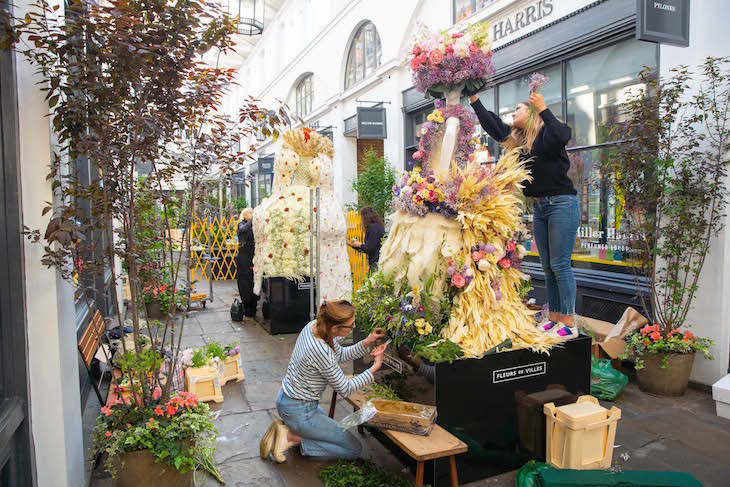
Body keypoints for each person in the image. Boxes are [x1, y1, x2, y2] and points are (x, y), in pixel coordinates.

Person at [469, 92, 579, 336]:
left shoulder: (547, 134)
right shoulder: (521, 142)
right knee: (548, 267)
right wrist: (475, 100)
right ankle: (554, 317)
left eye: (518, 109)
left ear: (531, 113)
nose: (512, 114)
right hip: (540, 207)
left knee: (561, 264)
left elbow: (563, 134)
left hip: (562, 203)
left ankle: (570, 323)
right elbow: (494, 126)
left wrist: (542, 108)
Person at [260, 300, 387, 463]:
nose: (353, 328)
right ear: (335, 328)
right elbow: (345, 388)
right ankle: (290, 437)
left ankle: (288, 428)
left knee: (331, 434)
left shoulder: (315, 326)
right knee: (353, 449)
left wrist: (367, 342)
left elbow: (339, 354)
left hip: (289, 401)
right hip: (301, 411)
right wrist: (375, 367)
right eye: (351, 326)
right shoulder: (321, 350)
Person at [347, 206, 385, 273]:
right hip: (379, 261)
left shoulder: (373, 228)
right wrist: (351, 244)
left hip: (376, 263)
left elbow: (370, 247)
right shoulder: (378, 227)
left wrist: (360, 245)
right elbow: (367, 249)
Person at [236, 208, 257, 317]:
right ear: (244, 215)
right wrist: (252, 221)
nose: (252, 214)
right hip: (244, 258)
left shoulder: (254, 226)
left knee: (253, 281)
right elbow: (242, 230)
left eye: (253, 212)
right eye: (250, 213)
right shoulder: (242, 224)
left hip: (253, 257)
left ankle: (253, 306)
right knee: (245, 282)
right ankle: (246, 305)